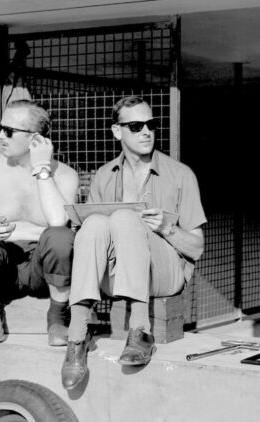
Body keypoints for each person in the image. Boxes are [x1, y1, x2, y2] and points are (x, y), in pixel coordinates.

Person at [61, 95, 207, 390]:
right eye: (136, 126)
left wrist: (167, 228)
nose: (146, 132)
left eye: (151, 124)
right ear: (117, 131)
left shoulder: (180, 175)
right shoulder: (103, 176)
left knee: (125, 218)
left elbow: (197, 248)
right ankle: (77, 337)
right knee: (94, 223)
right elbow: (93, 240)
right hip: (116, 277)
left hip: (165, 275)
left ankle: (140, 330)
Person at [0, 100, 79, 346]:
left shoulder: (66, 175)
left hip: (43, 273)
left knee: (61, 237)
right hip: (2, 270)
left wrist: (42, 169)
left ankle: (57, 316)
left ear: (35, 139)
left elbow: (58, 222)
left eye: (9, 131)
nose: (0, 135)